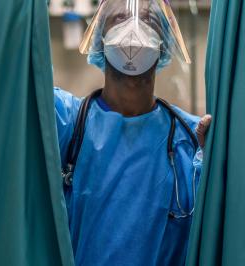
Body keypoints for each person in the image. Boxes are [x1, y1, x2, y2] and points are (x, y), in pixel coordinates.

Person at [54, 0, 211, 265]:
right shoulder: (66, 122)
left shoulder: (193, 139)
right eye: (118, 20)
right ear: (100, 40)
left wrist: (211, 161)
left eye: (148, 22)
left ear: (163, 43)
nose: (134, 29)